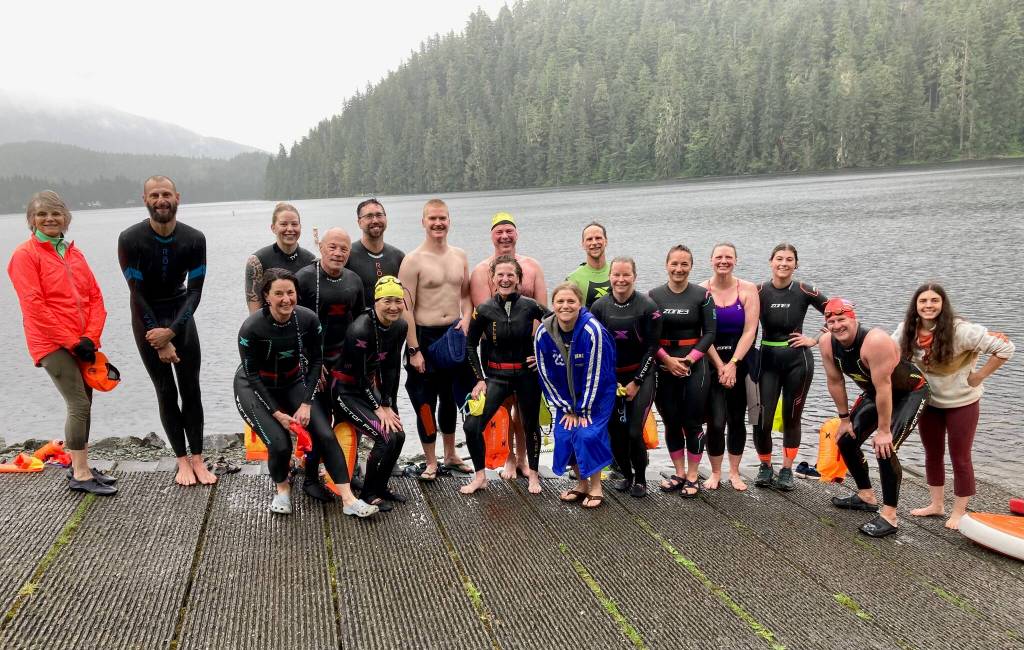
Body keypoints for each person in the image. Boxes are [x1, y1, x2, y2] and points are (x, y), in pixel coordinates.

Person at [234, 269, 376, 517]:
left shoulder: (308, 319)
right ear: (267, 296)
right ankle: (282, 489)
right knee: (279, 444)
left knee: (325, 435)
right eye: (278, 293)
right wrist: (278, 414)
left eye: (290, 292)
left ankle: (348, 499)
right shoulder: (251, 328)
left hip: (292, 381)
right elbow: (253, 375)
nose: (286, 299)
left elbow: (317, 360)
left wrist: (307, 403)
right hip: (254, 386)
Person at [8, 191, 116, 495]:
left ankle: (78, 464)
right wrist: (71, 340)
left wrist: (90, 338)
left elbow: (95, 298)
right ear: (31, 220)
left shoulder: (73, 253)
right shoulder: (24, 256)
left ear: (65, 218)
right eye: (42, 214)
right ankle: (81, 475)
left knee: (87, 402)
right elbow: (34, 307)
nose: (49, 218)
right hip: (50, 343)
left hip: (82, 341)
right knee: (78, 403)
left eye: (55, 213)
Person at [118, 176, 216, 486]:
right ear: (145, 199)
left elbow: (195, 291)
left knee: (191, 389)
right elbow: (137, 293)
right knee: (166, 391)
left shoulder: (194, 238)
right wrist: (157, 338)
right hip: (145, 314)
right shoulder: (129, 239)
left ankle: (198, 459)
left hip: (180, 313)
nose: (161, 200)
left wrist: (171, 332)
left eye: (167, 194)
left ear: (177, 198)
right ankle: (181, 462)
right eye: (155, 195)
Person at [893, 284, 1014, 529]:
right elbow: (886, 350)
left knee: (960, 456)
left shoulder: (961, 331)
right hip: (929, 402)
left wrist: (979, 376)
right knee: (932, 453)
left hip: (962, 402)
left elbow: (1006, 348)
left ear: (943, 304)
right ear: (915, 306)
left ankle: (959, 512)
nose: (928, 305)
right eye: (923, 301)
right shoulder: (907, 331)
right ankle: (936, 505)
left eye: (934, 300)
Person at [820, 297, 929, 537]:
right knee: (846, 440)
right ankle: (866, 495)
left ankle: (890, 516)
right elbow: (835, 381)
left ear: (854, 319)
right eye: (832, 321)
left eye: (842, 319)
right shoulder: (827, 343)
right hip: (874, 393)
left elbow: (884, 388)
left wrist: (884, 431)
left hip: (909, 393)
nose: (837, 325)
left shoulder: (875, 341)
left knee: (884, 448)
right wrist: (845, 419)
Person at [398, 198, 475, 480]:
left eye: (442, 218)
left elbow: (466, 296)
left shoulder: (460, 256)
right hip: (425, 337)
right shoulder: (413, 260)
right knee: (425, 402)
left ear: (449, 220)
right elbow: (405, 308)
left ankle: (451, 454)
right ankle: (431, 461)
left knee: (450, 398)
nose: (438, 223)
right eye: (432, 219)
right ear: (424, 222)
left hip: (453, 334)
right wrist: (414, 349)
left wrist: (466, 319)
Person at [468, 211, 548, 480]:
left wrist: (540, 354)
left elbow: (545, 317)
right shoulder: (480, 271)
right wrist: (483, 374)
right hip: (495, 355)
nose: (504, 236)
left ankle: (525, 460)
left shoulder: (532, 266)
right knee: (501, 411)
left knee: (525, 416)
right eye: (498, 231)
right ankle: (509, 459)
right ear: (491, 236)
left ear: (516, 234)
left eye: (509, 231)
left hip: (527, 355)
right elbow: (484, 318)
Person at [295, 228, 365, 502]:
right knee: (319, 423)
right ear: (321, 247)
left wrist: (361, 362)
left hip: (345, 362)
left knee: (349, 421)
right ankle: (311, 478)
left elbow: (360, 323)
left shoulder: (354, 281)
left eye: (344, 249)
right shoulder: (304, 279)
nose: (338, 253)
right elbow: (295, 325)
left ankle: (348, 471)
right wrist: (311, 362)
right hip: (317, 364)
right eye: (332, 247)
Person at [754, 243, 829, 490]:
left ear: (796, 264)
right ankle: (765, 466)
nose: (783, 264)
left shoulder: (804, 290)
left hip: (798, 360)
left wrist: (815, 339)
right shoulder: (759, 290)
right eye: (779, 259)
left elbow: (839, 313)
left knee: (791, 417)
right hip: (767, 359)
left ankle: (786, 470)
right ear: (770, 262)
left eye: (789, 260)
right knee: (761, 419)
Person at [535, 282, 616, 508]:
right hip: (567, 399)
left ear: (580, 304)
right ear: (553, 304)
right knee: (564, 435)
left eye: (571, 301)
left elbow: (597, 373)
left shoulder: (593, 331)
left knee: (587, 435)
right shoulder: (543, 332)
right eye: (560, 301)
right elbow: (545, 374)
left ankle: (596, 487)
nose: (565, 306)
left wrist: (582, 410)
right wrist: (567, 407)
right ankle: (581, 484)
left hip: (597, 396)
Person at [333, 276, 409, 511]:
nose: (394, 307)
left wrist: (389, 404)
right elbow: (359, 374)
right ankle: (367, 494)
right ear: (376, 301)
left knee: (398, 434)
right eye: (388, 301)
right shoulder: (361, 328)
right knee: (385, 437)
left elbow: (392, 367)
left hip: (369, 389)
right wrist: (378, 407)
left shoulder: (400, 325)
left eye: (398, 301)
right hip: (346, 390)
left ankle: (380, 486)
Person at [648, 245, 716, 497]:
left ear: (691, 266)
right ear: (666, 265)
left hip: (694, 366)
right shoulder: (653, 296)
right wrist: (667, 360)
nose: (679, 269)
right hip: (664, 365)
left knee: (693, 421)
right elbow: (648, 335)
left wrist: (688, 360)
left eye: (684, 264)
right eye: (674, 264)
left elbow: (710, 333)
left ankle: (693, 475)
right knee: (671, 422)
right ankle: (678, 472)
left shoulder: (702, 295)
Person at [590, 257, 661, 498]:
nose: (621, 280)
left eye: (626, 275)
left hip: (642, 374)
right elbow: (595, 347)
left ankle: (640, 479)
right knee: (615, 431)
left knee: (633, 431)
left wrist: (637, 382)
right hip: (612, 377)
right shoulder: (599, 307)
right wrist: (608, 381)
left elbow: (653, 348)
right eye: (616, 275)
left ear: (634, 277)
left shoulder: (647, 306)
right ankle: (627, 475)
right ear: (610, 276)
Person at [700, 244, 759, 491]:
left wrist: (733, 364)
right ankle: (715, 472)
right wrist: (721, 366)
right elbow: (701, 333)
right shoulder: (701, 291)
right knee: (715, 421)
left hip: (741, 361)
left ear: (735, 260)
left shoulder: (747, 289)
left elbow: (750, 330)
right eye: (719, 257)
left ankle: (734, 472)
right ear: (711, 260)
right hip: (712, 361)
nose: (723, 261)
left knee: (737, 419)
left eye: (728, 257)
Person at [244, 202, 316, 313]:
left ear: (300, 227)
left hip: (302, 326)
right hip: (269, 327)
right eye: (283, 224)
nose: (290, 229)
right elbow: (254, 314)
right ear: (273, 228)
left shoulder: (311, 261)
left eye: (294, 224)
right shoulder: (257, 262)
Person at [346, 198, 405, 306]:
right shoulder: (347, 256)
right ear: (359, 222)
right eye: (369, 216)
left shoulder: (398, 257)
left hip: (392, 320)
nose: (375, 220)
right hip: (358, 321)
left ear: (386, 219)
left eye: (379, 215)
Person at [566, 222, 611, 308]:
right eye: (589, 239)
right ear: (583, 244)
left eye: (598, 238)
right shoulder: (573, 279)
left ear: (606, 241)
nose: (594, 242)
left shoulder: (618, 274)